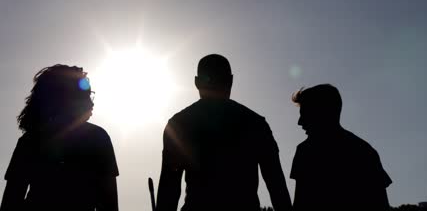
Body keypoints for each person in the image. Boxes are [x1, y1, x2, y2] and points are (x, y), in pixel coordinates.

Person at [155, 54, 292, 211]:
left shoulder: (179, 124)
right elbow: (276, 186)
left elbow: (169, 187)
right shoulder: (255, 123)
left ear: (196, 82)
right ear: (231, 80)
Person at [0, 65, 119, 211]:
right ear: (66, 99)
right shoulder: (98, 138)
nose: (91, 102)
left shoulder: (29, 141)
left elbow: (10, 201)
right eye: (86, 95)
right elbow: (110, 203)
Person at [290, 84, 392, 210]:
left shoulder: (305, 151)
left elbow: (300, 204)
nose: (300, 122)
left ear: (322, 113)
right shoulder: (364, 151)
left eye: (305, 114)